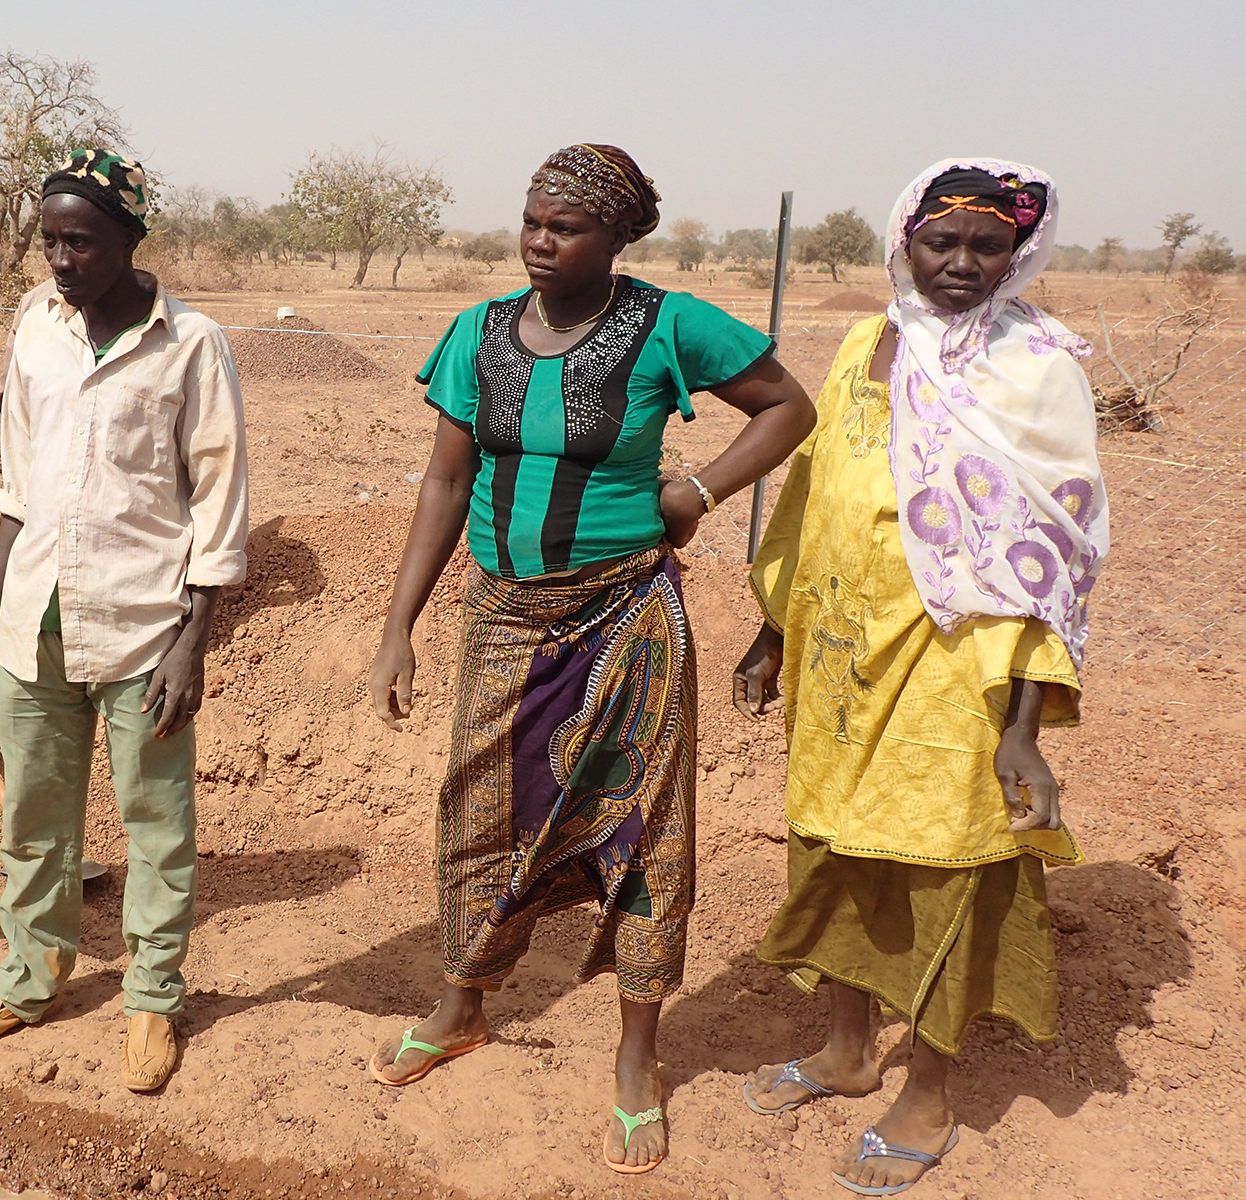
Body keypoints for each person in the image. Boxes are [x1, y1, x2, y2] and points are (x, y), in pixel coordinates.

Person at [365, 144, 816, 1174]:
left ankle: (636, 1058)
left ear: (616, 240)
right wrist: (396, 626)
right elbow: (443, 486)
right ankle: (460, 1004)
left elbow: (791, 407)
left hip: (625, 616)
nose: (539, 239)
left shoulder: (670, 325)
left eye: (565, 226)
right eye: (532, 219)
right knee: (479, 810)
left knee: (644, 828)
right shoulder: (476, 334)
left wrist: (696, 493)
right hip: (503, 618)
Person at [735, 160, 1106, 1196]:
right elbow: (817, 490)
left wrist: (1023, 725)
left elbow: (1051, 554)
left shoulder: (1035, 369)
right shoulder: (869, 339)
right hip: (846, 660)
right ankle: (852, 1050)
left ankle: (930, 1090)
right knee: (839, 852)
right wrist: (772, 628)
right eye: (941, 241)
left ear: (1018, 254)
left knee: (950, 874)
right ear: (905, 239)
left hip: (958, 674)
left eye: (988, 246)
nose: (961, 263)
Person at [0, 149, 249, 1094]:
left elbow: (221, 496)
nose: (62, 260)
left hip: (145, 622)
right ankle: (30, 979)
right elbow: (18, 483)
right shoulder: (36, 326)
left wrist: (194, 641)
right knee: (34, 820)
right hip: (36, 610)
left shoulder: (190, 344)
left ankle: (153, 999)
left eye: (82, 241)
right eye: (50, 241)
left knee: (155, 823)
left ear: (129, 241)